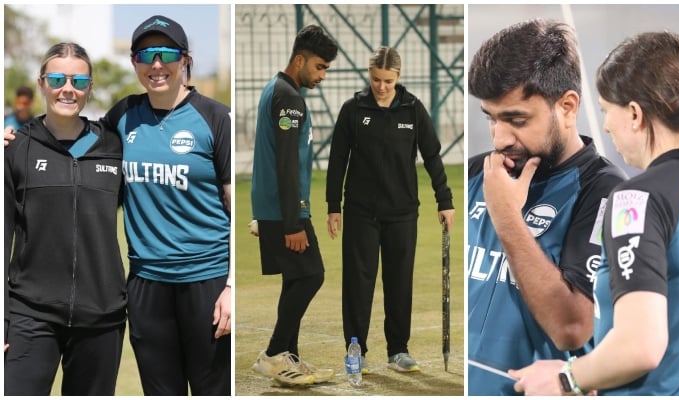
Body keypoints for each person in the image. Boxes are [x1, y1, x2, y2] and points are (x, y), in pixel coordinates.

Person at [510, 31, 679, 396]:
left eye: (605, 111)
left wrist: (569, 378)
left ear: (634, 114)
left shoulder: (636, 201)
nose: (606, 126)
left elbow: (639, 346)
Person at [466, 19, 627, 395]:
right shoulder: (481, 171)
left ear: (567, 107)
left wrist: (506, 217)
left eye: (516, 119)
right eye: (491, 118)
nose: (500, 138)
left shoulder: (605, 190)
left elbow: (571, 328)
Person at [102, 15, 232, 395]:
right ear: (134, 63)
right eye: (145, 54)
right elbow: (72, 146)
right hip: (146, 286)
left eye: (166, 53)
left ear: (185, 59)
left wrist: (231, 287)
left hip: (207, 284)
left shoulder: (215, 116)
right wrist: (19, 139)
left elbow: (234, 205)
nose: (156, 64)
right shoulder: (122, 116)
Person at [4, 42, 126, 396]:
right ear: (42, 83)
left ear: (90, 87)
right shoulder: (15, 149)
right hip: (30, 315)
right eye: (57, 78)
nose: (67, 89)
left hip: (102, 318)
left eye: (78, 80)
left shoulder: (115, 147)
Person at [326, 46, 455, 374]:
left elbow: (432, 156)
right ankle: (356, 350)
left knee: (399, 282)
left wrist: (445, 200)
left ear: (398, 77)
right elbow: (338, 160)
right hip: (360, 213)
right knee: (358, 284)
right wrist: (333, 206)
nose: (381, 86)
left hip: (402, 213)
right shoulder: (353, 110)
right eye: (375, 79)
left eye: (387, 80)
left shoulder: (412, 110)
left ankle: (398, 350)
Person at [249, 24, 338, 386]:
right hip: (285, 212)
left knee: (296, 279)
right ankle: (273, 354)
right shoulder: (289, 98)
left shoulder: (277, 89)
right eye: (319, 67)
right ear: (299, 59)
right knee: (312, 275)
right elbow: (286, 164)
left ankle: (291, 360)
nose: (321, 76)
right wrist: (293, 223)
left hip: (275, 209)